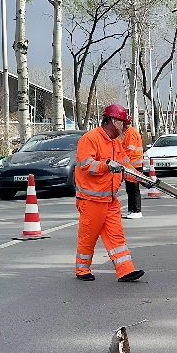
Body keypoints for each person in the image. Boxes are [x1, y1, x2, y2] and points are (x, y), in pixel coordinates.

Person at [73, 103, 144, 283]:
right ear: (112, 120)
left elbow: (125, 165)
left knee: (116, 236)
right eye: (122, 122)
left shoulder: (115, 142)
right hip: (91, 200)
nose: (125, 126)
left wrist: (140, 177)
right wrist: (106, 165)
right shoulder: (91, 138)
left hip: (110, 199)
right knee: (88, 237)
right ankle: (82, 269)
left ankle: (125, 270)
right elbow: (86, 165)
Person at [123, 121, 144, 219]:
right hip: (132, 165)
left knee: (133, 189)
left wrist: (121, 160)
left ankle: (136, 210)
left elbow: (128, 150)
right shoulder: (129, 132)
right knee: (130, 189)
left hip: (133, 165)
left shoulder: (130, 133)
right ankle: (132, 210)